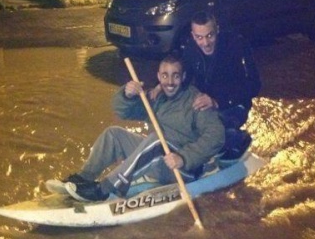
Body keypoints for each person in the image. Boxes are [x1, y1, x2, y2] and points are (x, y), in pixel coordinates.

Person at [46, 53, 225, 202]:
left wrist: (184, 158)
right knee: (113, 134)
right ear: (158, 76)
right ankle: (83, 179)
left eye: (175, 75)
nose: (170, 82)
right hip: (157, 159)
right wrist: (127, 94)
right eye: (165, 75)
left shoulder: (196, 100)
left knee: (155, 142)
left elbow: (216, 136)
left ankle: (105, 189)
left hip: (181, 169)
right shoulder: (157, 97)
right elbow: (122, 111)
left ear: (183, 77)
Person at [182, 11, 261, 159]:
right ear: (193, 35)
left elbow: (254, 85)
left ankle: (239, 139)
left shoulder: (236, 44)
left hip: (234, 104)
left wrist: (217, 101)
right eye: (199, 37)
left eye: (210, 35)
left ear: (217, 29)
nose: (205, 43)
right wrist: (161, 87)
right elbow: (183, 78)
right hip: (207, 107)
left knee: (213, 135)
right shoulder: (190, 49)